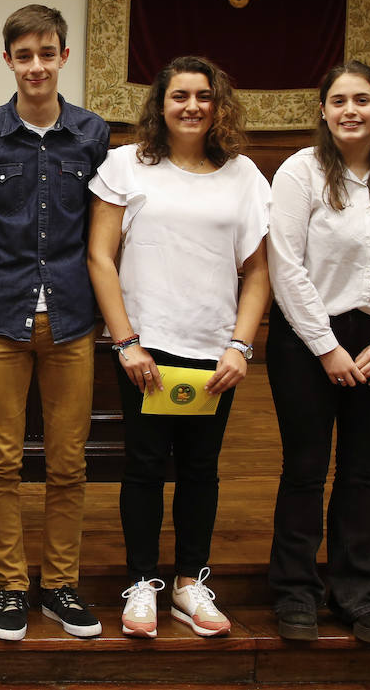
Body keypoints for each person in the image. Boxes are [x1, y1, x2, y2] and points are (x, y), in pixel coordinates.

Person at [87, 56, 270, 639]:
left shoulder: (243, 175)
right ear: (159, 105)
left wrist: (241, 346)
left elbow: (258, 272)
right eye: (179, 96)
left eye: (203, 96)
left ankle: (190, 585)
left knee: (200, 470)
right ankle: (142, 584)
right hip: (145, 348)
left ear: (218, 105)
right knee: (141, 467)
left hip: (214, 352)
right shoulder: (125, 166)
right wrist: (126, 342)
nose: (192, 106)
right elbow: (99, 256)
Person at [266, 61, 370, 645]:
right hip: (308, 341)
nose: (349, 110)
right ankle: (294, 592)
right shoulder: (301, 172)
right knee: (306, 468)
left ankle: (357, 593)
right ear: (323, 110)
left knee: (363, 473)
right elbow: (285, 268)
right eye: (338, 100)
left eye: (361, 99)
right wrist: (326, 348)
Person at [0, 4, 110, 642]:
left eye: (48, 54)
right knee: (1, 462)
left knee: (69, 463)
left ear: (64, 58)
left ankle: (61, 585)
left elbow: (106, 234)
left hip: (72, 320)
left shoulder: (92, 134)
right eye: (25, 56)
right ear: (9, 61)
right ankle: (11, 587)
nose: (37, 66)